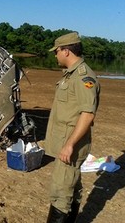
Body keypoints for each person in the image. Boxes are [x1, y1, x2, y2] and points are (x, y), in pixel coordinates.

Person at [45, 32, 100, 222]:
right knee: (72, 187)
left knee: (61, 192)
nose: (55, 55)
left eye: (57, 51)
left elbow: (87, 114)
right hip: (65, 142)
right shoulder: (72, 75)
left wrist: (69, 145)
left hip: (71, 144)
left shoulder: (83, 77)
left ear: (66, 51)